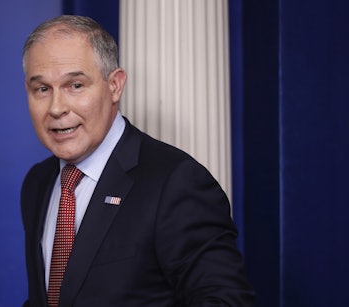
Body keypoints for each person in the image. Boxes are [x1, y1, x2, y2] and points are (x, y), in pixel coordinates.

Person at [21, 15, 255, 307]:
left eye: (76, 85)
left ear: (115, 86)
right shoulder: (37, 182)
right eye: (42, 89)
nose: (56, 108)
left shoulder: (175, 182)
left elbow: (226, 301)